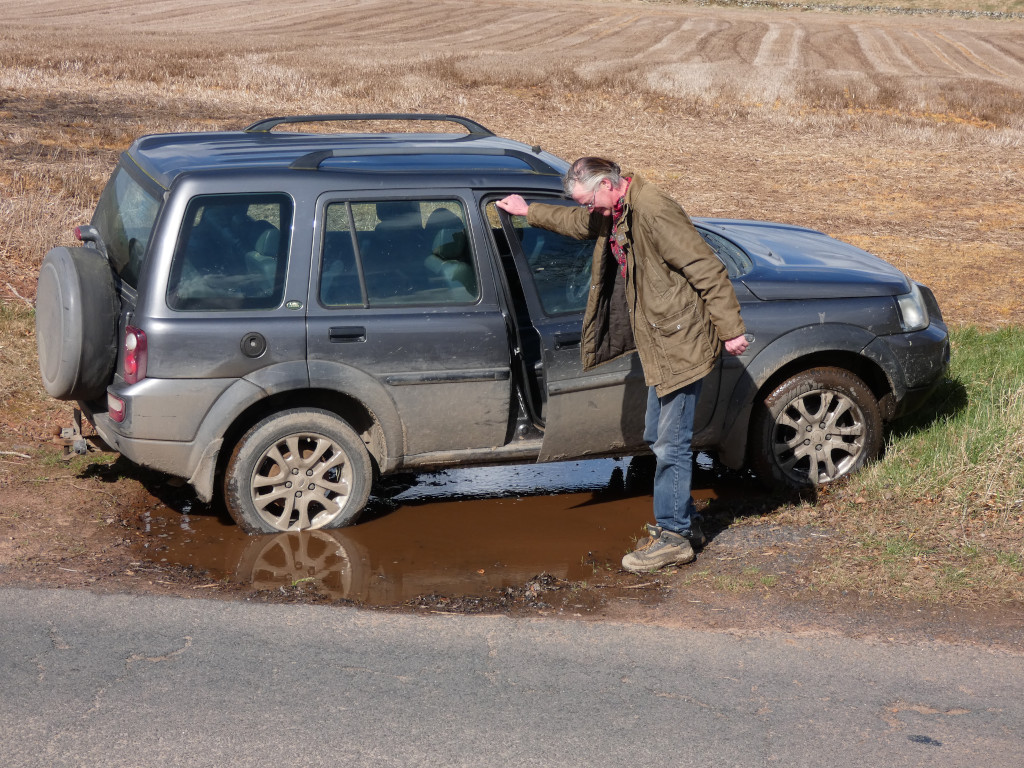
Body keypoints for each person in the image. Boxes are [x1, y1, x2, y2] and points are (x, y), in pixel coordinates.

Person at [497, 157, 748, 573]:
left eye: (590, 202)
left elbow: (704, 267)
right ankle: (684, 522)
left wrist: (731, 329)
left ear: (609, 186)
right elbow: (579, 225)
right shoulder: (616, 209)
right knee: (657, 434)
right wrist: (529, 212)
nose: (588, 210)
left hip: (680, 340)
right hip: (660, 340)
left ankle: (675, 538)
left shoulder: (652, 211)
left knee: (671, 443)